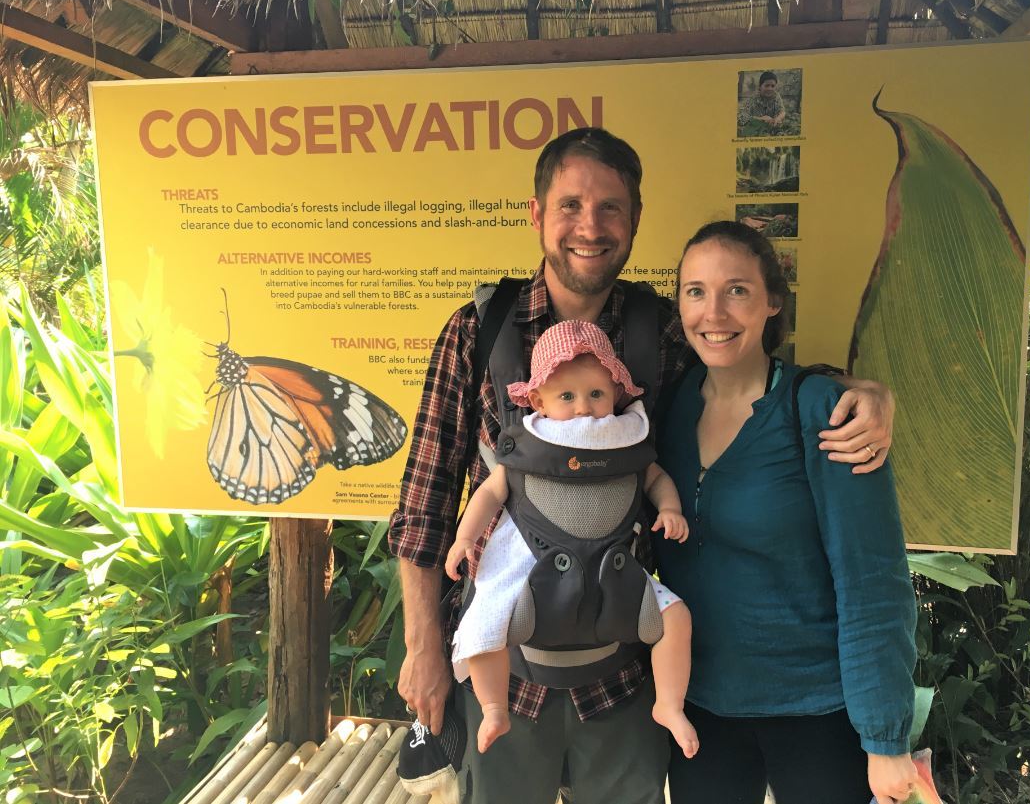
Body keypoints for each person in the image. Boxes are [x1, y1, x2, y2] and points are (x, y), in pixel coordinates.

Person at [389, 127, 895, 804]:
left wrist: (850, 390)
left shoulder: (659, 331)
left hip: (625, 669)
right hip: (503, 669)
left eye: (609, 209)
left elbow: (744, 381)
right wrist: (423, 647)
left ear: (633, 221)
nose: (588, 228)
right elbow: (423, 504)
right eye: (569, 206)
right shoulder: (477, 329)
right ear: (538, 214)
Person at [654, 220, 919, 804]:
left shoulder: (825, 411)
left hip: (814, 710)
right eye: (695, 291)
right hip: (699, 709)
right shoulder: (666, 406)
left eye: (737, 290)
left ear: (773, 301)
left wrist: (885, 739)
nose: (714, 312)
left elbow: (873, 581)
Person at [444, 320, 698, 758]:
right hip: (530, 576)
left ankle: (669, 704)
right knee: (484, 624)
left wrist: (670, 509)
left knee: (676, 619)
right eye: (567, 396)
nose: (584, 407)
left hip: (616, 577)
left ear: (617, 394)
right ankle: (493, 706)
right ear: (538, 401)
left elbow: (656, 479)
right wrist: (463, 538)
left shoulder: (627, 437)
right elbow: (489, 492)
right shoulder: (528, 444)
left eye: (596, 394)